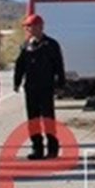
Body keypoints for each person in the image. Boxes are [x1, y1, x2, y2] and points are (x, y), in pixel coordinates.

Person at [13, 14, 66, 160]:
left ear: (40, 27)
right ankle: (37, 149)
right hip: (31, 88)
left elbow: (59, 66)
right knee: (33, 120)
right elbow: (20, 66)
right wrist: (16, 82)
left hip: (46, 88)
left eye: (31, 26)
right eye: (27, 27)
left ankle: (52, 149)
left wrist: (61, 84)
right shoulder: (25, 46)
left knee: (48, 119)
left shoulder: (51, 45)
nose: (29, 29)